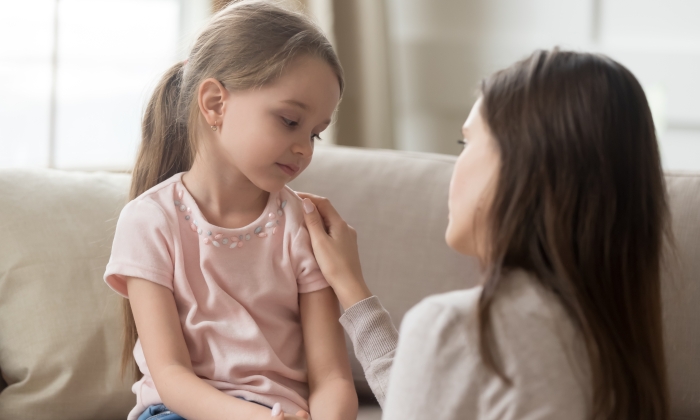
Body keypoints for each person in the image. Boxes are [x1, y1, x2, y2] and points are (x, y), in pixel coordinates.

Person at [299, 49, 671, 420]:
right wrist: (352, 288)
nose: (454, 168)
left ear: (523, 166)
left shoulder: (454, 327)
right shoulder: (617, 342)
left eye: (466, 143)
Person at [103, 2, 357, 420]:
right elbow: (171, 374)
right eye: (290, 121)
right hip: (177, 411)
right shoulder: (149, 221)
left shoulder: (301, 226)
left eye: (316, 134)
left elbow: (332, 378)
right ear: (215, 103)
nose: (304, 148)